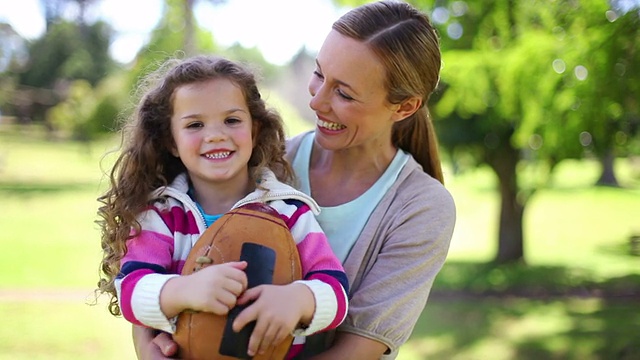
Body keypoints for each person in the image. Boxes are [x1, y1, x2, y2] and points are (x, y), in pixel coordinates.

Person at [135, 0, 456, 359]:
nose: (317, 102)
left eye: (344, 93)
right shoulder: (259, 162)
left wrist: (301, 300)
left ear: (405, 107)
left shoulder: (422, 208)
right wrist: (151, 345)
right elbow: (161, 256)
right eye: (319, 74)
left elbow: (359, 347)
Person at [96, 55, 350, 359]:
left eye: (232, 120)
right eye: (195, 124)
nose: (215, 135)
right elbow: (130, 291)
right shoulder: (161, 216)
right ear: (171, 142)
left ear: (254, 130)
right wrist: (184, 291)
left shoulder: (289, 213)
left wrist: (299, 299)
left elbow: (336, 290)